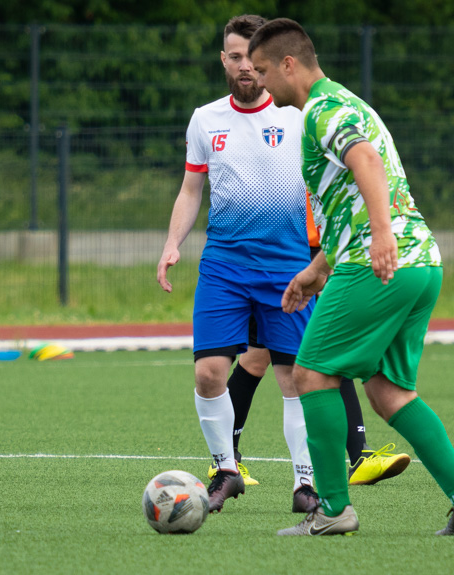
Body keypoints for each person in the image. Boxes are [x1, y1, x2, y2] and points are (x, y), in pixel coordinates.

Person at [248, 18, 454, 536]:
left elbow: (366, 164)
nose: (262, 84)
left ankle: (332, 511)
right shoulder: (351, 103)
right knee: (388, 391)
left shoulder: (322, 109)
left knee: (311, 374)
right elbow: (351, 196)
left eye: (265, 71)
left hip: (380, 260)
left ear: (289, 64)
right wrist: (317, 270)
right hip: (420, 262)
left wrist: (380, 235)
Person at [157, 14, 320, 515]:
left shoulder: (300, 115)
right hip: (224, 265)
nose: (245, 66)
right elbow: (191, 189)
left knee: (294, 378)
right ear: (223, 60)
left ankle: (306, 483)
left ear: (268, 61)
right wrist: (171, 243)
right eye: (234, 56)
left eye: (253, 58)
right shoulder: (205, 119)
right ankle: (226, 469)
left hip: (288, 265)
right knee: (209, 373)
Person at [217, 199, 411, 487]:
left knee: (268, 357)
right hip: (280, 248)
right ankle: (225, 461)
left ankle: (359, 457)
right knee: (268, 358)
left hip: (315, 249)